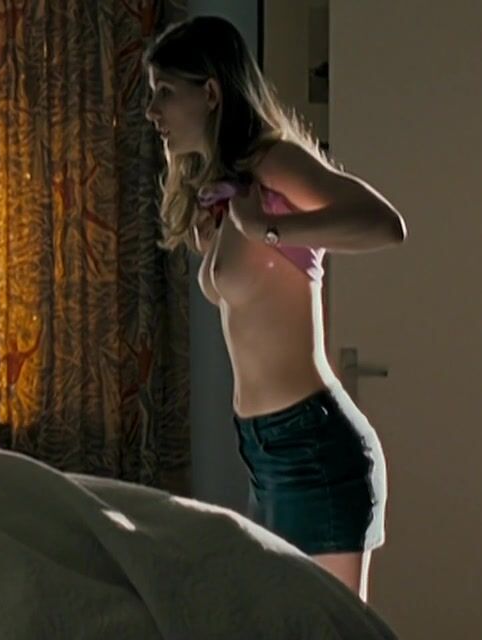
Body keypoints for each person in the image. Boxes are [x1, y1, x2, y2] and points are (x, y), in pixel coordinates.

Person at [143, 16, 406, 599]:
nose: (152, 110)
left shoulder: (272, 162)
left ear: (211, 92)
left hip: (313, 447)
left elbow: (385, 224)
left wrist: (268, 228)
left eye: (165, 91)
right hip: (265, 451)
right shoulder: (226, 183)